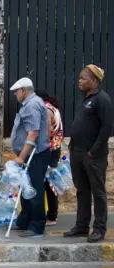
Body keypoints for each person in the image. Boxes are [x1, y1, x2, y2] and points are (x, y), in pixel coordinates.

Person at [64, 64, 113, 243]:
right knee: (82, 190)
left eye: (83, 78)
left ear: (94, 80)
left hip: (93, 155)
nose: (80, 81)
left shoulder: (102, 99)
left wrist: (93, 151)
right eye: (80, 78)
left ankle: (99, 229)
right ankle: (81, 226)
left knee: (98, 192)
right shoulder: (84, 99)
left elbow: (106, 128)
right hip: (77, 152)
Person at [9, 77, 50, 238]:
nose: (15, 95)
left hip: (36, 155)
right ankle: (24, 221)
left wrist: (21, 157)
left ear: (23, 91)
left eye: (16, 92)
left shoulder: (32, 105)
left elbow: (33, 134)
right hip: (31, 155)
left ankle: (36, 226)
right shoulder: (31, 103)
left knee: (34, 189)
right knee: (25, 188)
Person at [35, 89, 64, 226]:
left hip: (49, 150)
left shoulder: (46, 111)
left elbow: (45, 134)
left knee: (48, 183)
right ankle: (52, 215)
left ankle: (52, 217)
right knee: (50, 182)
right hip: (55, 149)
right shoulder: (53, 108)